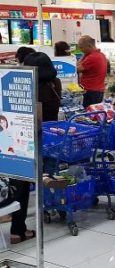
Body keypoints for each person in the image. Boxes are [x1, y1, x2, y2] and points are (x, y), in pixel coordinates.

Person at [2, 52, 61, 243]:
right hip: (48, 138)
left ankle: (15, 225)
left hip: (18, 139)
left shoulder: (22, 86)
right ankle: (54, 208)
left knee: (18, 183)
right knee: (48, 175)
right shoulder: (54, 85)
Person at [76, 35, 108, 108]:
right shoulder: (101, 55)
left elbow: (77, 69)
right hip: (98, 90)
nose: (81, 50)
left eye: (81, 47)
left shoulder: (91, 57)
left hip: (90, 91)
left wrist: (83, 56)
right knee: (95, 112)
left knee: (89, 114)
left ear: (89, 46)